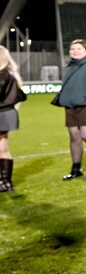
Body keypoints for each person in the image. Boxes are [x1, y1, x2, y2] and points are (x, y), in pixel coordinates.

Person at [56, 39, 86, 181]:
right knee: (74, 136)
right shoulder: (71, 65)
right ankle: (76, 168)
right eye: (72, 49)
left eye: (78, 49)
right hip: (71, 104)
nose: (75, 52)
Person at [0, 46, 26, 193]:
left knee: (2, 149)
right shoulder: (10, 74)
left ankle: (5, 181)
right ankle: (6, 181)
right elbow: (21, 96)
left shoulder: (2, 75)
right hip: (7, 113)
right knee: (2, 149)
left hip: (2, 113)